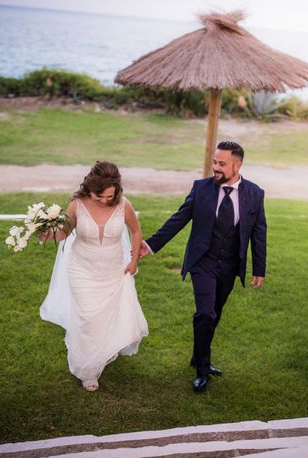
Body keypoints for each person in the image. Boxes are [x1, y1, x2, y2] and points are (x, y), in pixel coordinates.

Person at [140, 141, 266, 392]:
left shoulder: (254, 193)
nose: (216, 168)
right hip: (203, 261)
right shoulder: (201, 189)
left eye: (221, 164)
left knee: (214, 314)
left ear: (237, 165)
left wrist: (259, 269)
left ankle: (199, 355)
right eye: (214, 162)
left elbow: (258, 232)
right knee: (206, 313)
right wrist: (151, 245)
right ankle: (202, 368)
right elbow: (179, 218)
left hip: (230, 265)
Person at [39, 161, 148, 391]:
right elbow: (63, 234)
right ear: (90, 188)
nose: (106, 201)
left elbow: (136, 230)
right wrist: (45, 233)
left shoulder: (124, 204)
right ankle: (87, 370)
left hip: (113, 269)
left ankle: (100, 352)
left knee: (104, 319)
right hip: (82, 269)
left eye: (110, 196)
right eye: (101, 197)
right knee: (88, 319)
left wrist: (134, 260)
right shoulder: (77, 204)